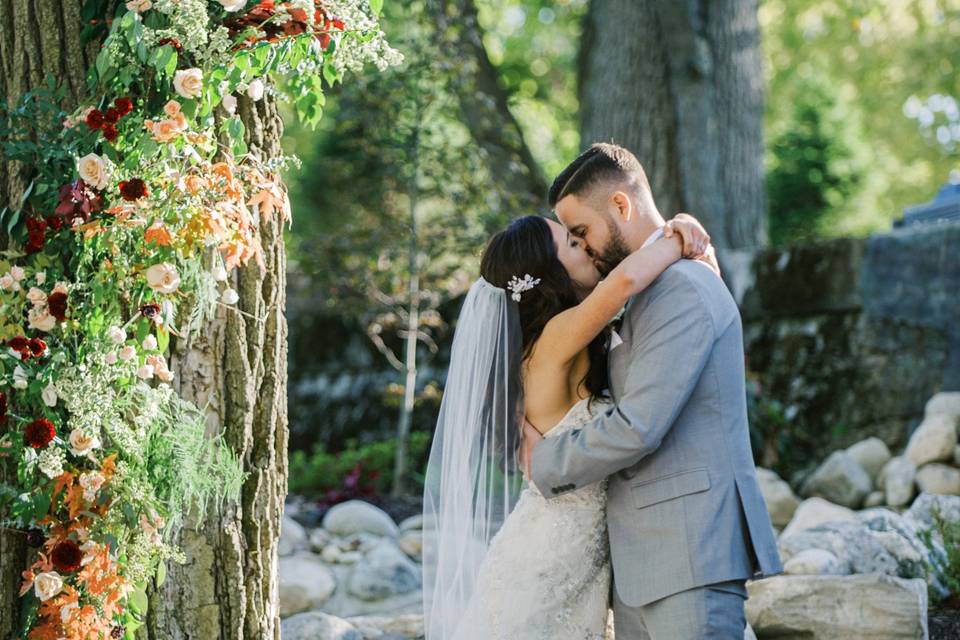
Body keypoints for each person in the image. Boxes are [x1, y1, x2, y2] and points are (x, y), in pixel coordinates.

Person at [422, 193, 715, 638]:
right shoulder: (557, 336)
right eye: (573, 245)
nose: (587, 247)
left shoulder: (553, 343)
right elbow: (622, 284)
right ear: (548, 275)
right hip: (548, 556)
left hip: (575, 552)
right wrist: (676, 238)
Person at [523, 143, 783, 639]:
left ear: (621, 206)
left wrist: (545, 464)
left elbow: (639, 426)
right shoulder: (639, 289)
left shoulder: (682, 288)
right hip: (644, 565)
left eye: (582, 233)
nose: (582, 248)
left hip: (691, 556)